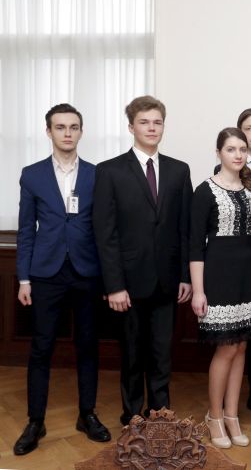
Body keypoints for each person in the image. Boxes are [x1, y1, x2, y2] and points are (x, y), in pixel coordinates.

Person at [14, 104, 111, 455]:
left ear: (81, 132)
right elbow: (26, 230)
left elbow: (105, 230)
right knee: (41, 347)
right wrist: (23, 278)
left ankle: (87, 414)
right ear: (49, 132)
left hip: (87, 272)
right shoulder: (32, 175)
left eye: (73, 127)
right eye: (60, 127)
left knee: (88, 345)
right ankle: (35, 421)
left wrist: (110, 279)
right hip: (46, 274)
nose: (67, 133)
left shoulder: (97, 175)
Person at [93, 95, 193, 426]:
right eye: (144, 122)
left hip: (167, 280)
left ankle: (160, 416)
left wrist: (185, 275)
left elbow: (184, 229)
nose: (152, 128)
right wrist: (114, 285)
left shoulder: (179, 170)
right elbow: (105, 233)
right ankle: (133, 416)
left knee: (162, 354)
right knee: (133, 354)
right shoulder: (109, 171)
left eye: (157, 122)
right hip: (128, 282)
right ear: (131, 127)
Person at [190, 127, 251, 448]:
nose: (238, 155)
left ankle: (232, 415)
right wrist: (198, 291)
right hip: (218, 277)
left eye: (242, 149)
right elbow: (195, 246)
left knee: (241, 348)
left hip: (248, 277)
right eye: (231, 149)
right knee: (226, 348)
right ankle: (214, 416)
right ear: (218, 153)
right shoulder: (205, 191)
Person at [213, 108, 251, 415]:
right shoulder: (223, 173)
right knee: (235, 340)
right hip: (234, 267)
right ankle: (226, 408)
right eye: (248, 128)